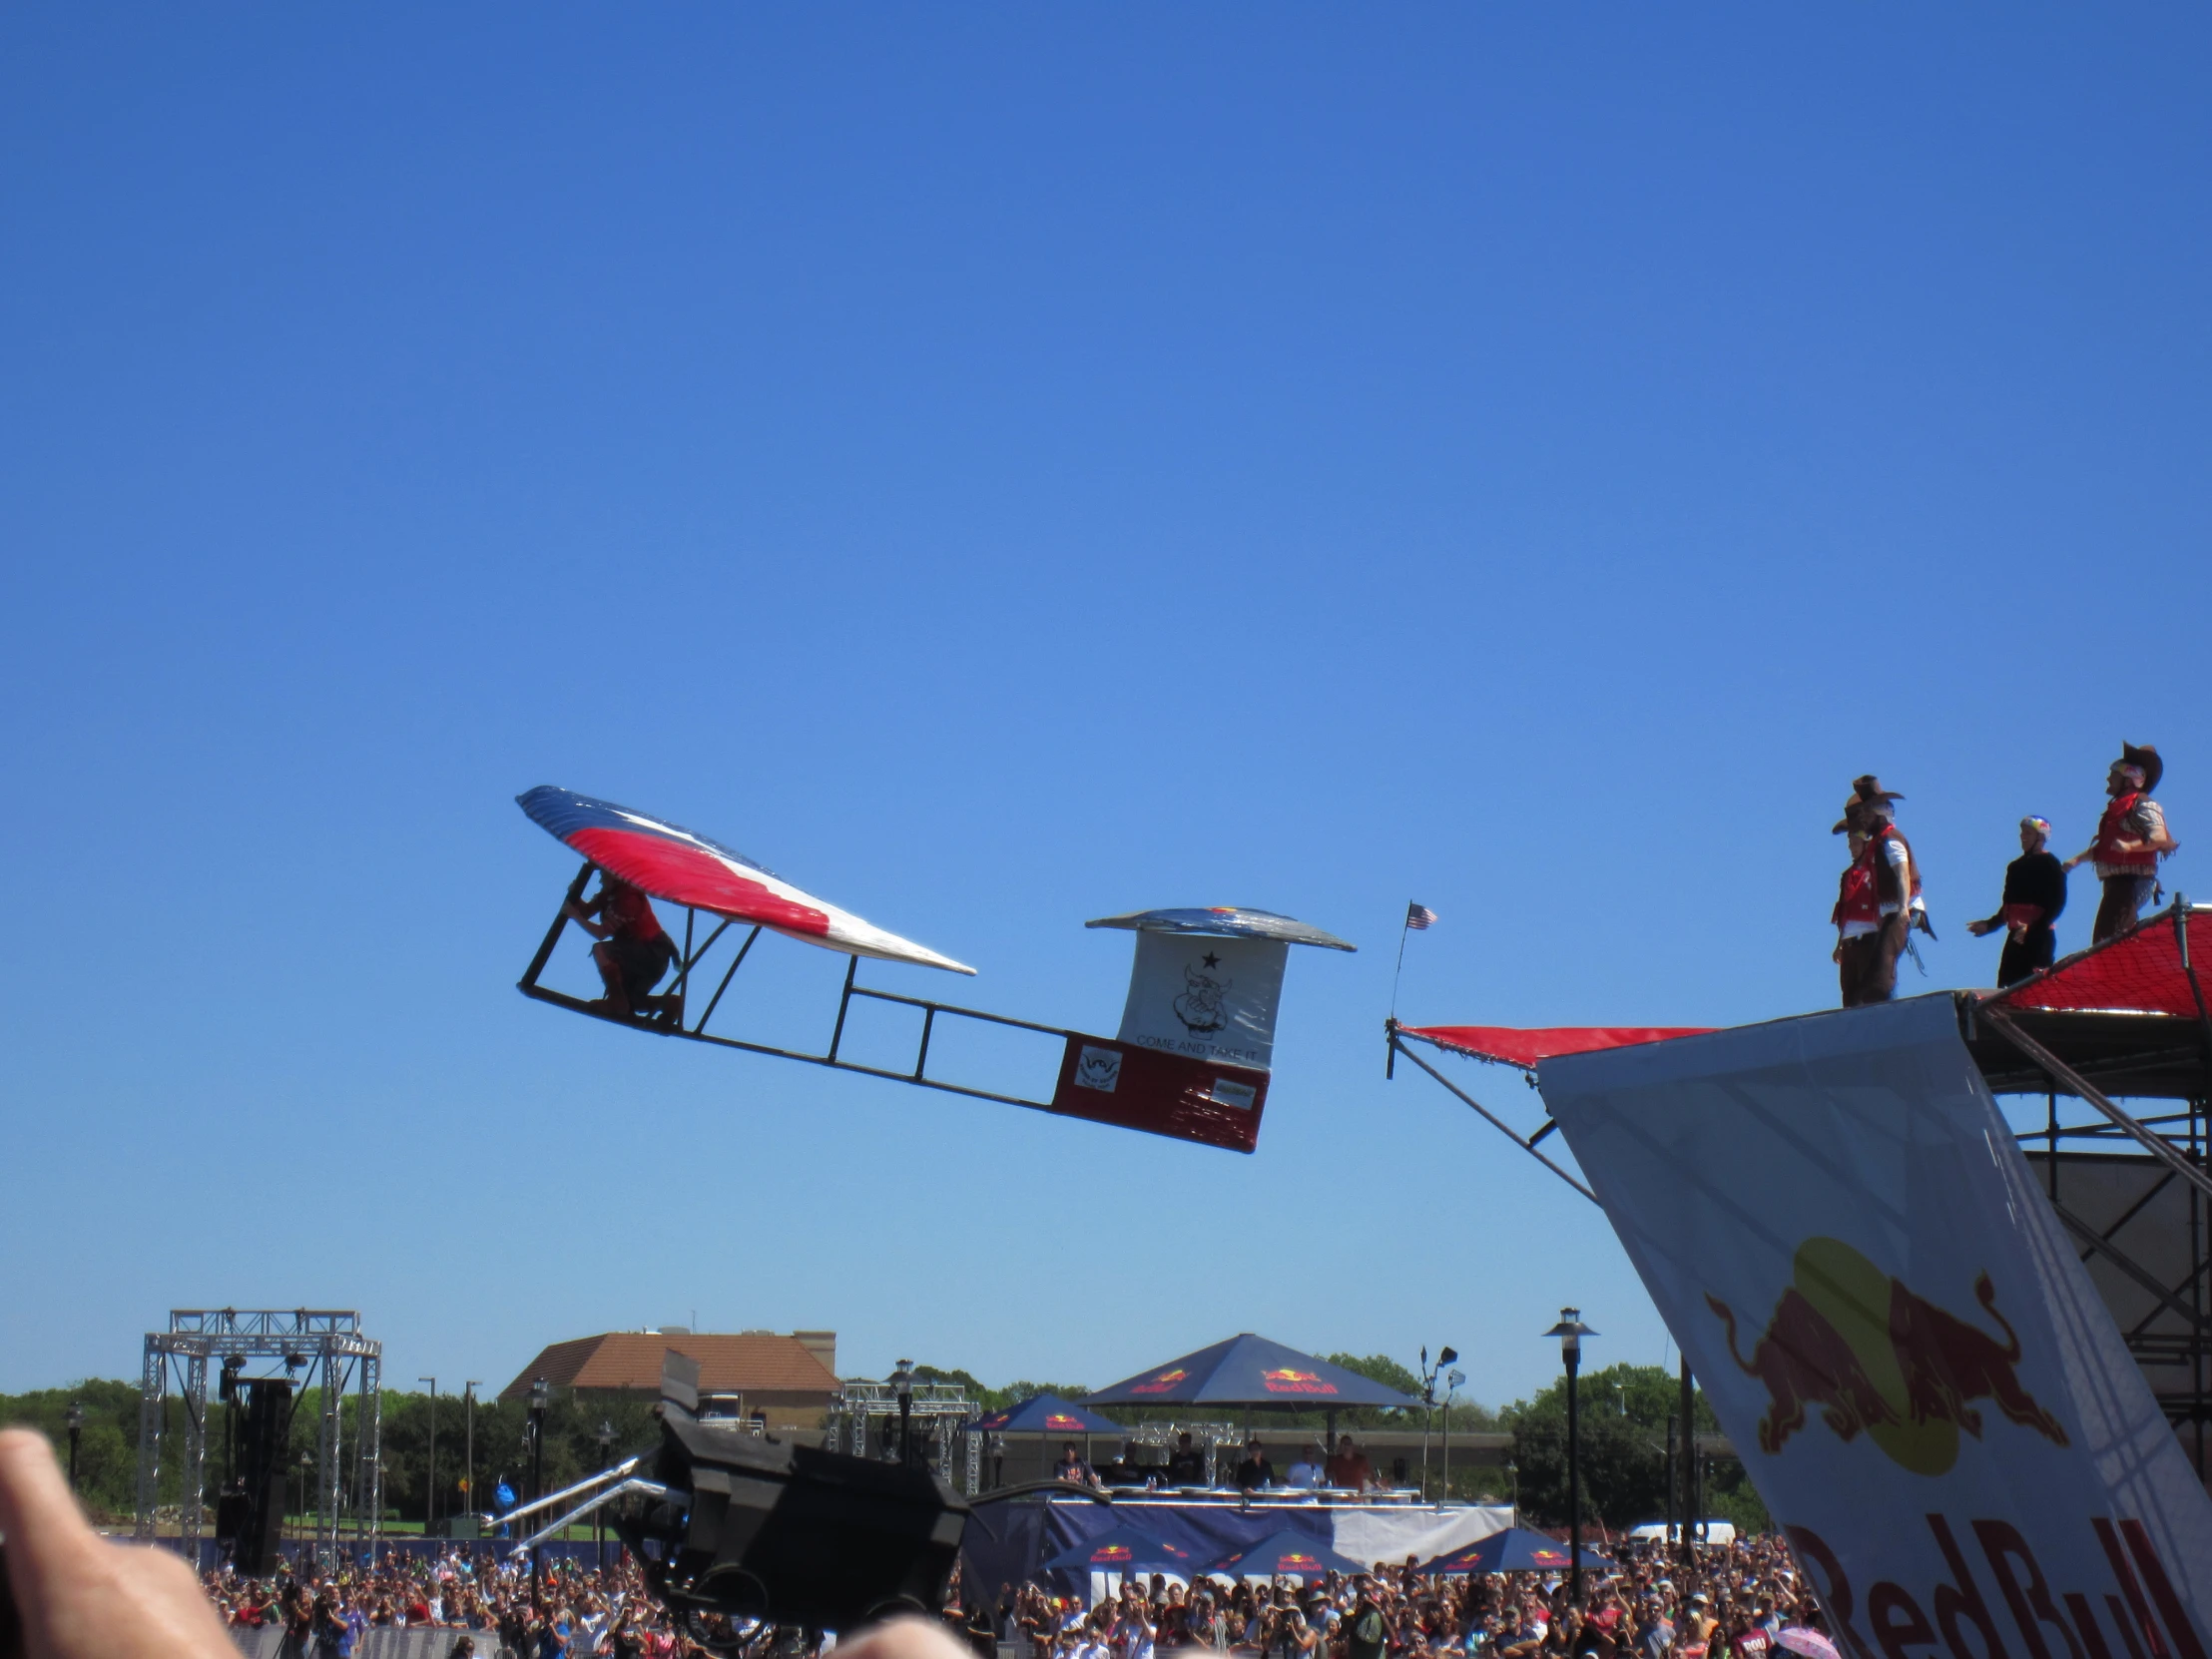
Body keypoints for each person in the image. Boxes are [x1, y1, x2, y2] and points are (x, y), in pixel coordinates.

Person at [2064, 743, 2179, 942]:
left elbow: (2159, 837)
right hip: (2117, 884)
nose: (2108, 778)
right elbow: (2104, 848)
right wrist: (2076, 860)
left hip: (2132, 882)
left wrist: (2129, 847)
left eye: (2113, 775)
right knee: (2107, 936)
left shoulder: (2142, 804)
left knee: (2110, 938)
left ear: (2128, 780)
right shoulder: (2117, 809)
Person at [1831, 777, 1928, 1007]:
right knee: (1869, 981)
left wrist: (1904, 907)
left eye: (1866, 813)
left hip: (1899, 910)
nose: (1863, 818)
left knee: (1880, 978)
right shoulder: (1878, 844)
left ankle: (1883, 1019)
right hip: (1889, 912)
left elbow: (1902, 871)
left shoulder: (1890, 839)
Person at [1966, 816, 2068, 985]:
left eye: (2028, 833)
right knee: (2005, 988)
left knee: (2035, 987)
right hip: (2016, 936)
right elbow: (2008, 907)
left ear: (2041, 837)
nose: (2022, 836)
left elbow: (2057, 903)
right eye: (2022, 833)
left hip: (2040, 937)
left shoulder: (2050, 864)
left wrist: (2032, 929)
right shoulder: (2015, 867)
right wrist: (1989, 925)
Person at [565, 872, 681, 1021]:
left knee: (600, 950)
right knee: (632, 1001)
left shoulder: (627, 901)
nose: (600, 880)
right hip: (638, 954)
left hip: (650, 954)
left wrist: (575, 916)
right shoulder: (609, 895)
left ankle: (616, 1001)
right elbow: (587, 911)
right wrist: (575, 894)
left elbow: (600, 933)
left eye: (604, 875)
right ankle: (668, 1004)